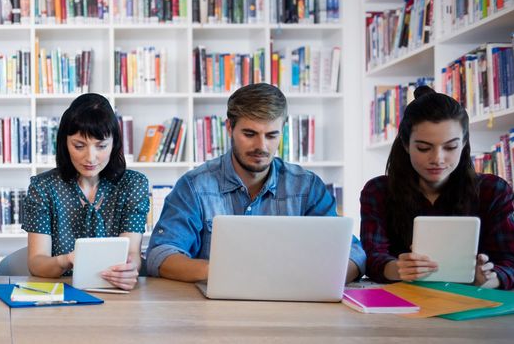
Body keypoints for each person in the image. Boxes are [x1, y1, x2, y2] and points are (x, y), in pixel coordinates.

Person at [145, 83, 365, 283]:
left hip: (293, 307)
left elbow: (353, 253)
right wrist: (225, 272)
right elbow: (160, 255)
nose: (262, 146)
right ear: (229, 128)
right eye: (249, 134)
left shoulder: (306, 187)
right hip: (215, 313)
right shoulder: (194, 185)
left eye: (271, 135)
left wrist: (319, 280)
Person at [360, 86, 514, 290]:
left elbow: (512, 261)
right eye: (424, 148)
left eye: (450, 147)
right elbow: (372, 257)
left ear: (464, 144)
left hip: (472, 304)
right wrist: (397, 268)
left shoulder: (493, 190)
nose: (437, 159)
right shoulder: (378, 191)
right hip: (402, 305)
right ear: (406, 144)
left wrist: (489, 278)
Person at [22, 93, 147, 290]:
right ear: (65, 143)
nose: (91, 157)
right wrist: (67, 260)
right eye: (79, 146)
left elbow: (131, 252)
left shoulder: (133, 185)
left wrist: (130, 269)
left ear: (114, 144)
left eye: (101, 146)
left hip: (116, 292)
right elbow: (37, 263)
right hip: (62, 294)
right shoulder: (43, 187)